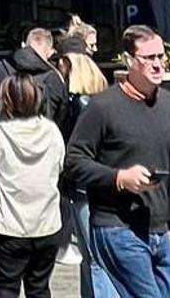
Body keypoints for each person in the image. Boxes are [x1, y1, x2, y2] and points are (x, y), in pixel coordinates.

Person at [64, 26, 170, 298]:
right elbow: (73, 162)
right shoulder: (103, 108)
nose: (158, 64)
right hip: (116, 227)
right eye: (149, 58)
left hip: (158, 230)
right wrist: (119, 178)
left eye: (161, 56)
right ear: (129, 60)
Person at [0, 75, 66, 298]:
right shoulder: (52, 131)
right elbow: (59, 166)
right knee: (39, 288)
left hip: (8, 225)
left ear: (6, 101)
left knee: (6, 288)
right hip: (46, 223)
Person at [55, 48, 119, 298]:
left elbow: (73, 146)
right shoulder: (105, 103)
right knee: (92, 255)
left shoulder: (78, 104)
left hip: (83, 185)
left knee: (93, 256)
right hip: (99, 182)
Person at [0, 29, 68, 128]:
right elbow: (61, 116)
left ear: (24, 45)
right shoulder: (53, 79)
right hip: (41, 135)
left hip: (3, 133)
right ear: (50, 53)